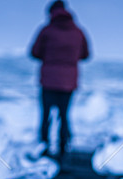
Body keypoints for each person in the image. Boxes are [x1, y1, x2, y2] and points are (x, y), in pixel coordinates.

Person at [30, 1, 90, 161]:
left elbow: (34, 52)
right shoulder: (78, 32)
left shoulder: (46, 30)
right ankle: (64, 149)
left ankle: (44, 147)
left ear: (51, 13)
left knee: (45, 115)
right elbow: (86, 55)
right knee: (64, 115)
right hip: (68, 83)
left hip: (48, 81)